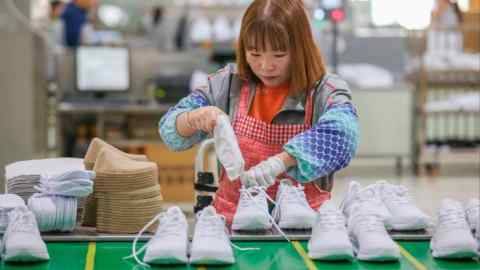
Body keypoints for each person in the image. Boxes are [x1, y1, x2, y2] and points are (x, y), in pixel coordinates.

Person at [159, 0, 359, 223]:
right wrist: (197, 117)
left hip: (306, 226)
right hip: (232, 221)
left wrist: (282, 161)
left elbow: (344, 134)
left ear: (301, 48)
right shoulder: (227, 85)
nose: (266, 65)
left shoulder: (324, 90)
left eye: (279, 54)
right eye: (254, 54)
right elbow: (170, 131)